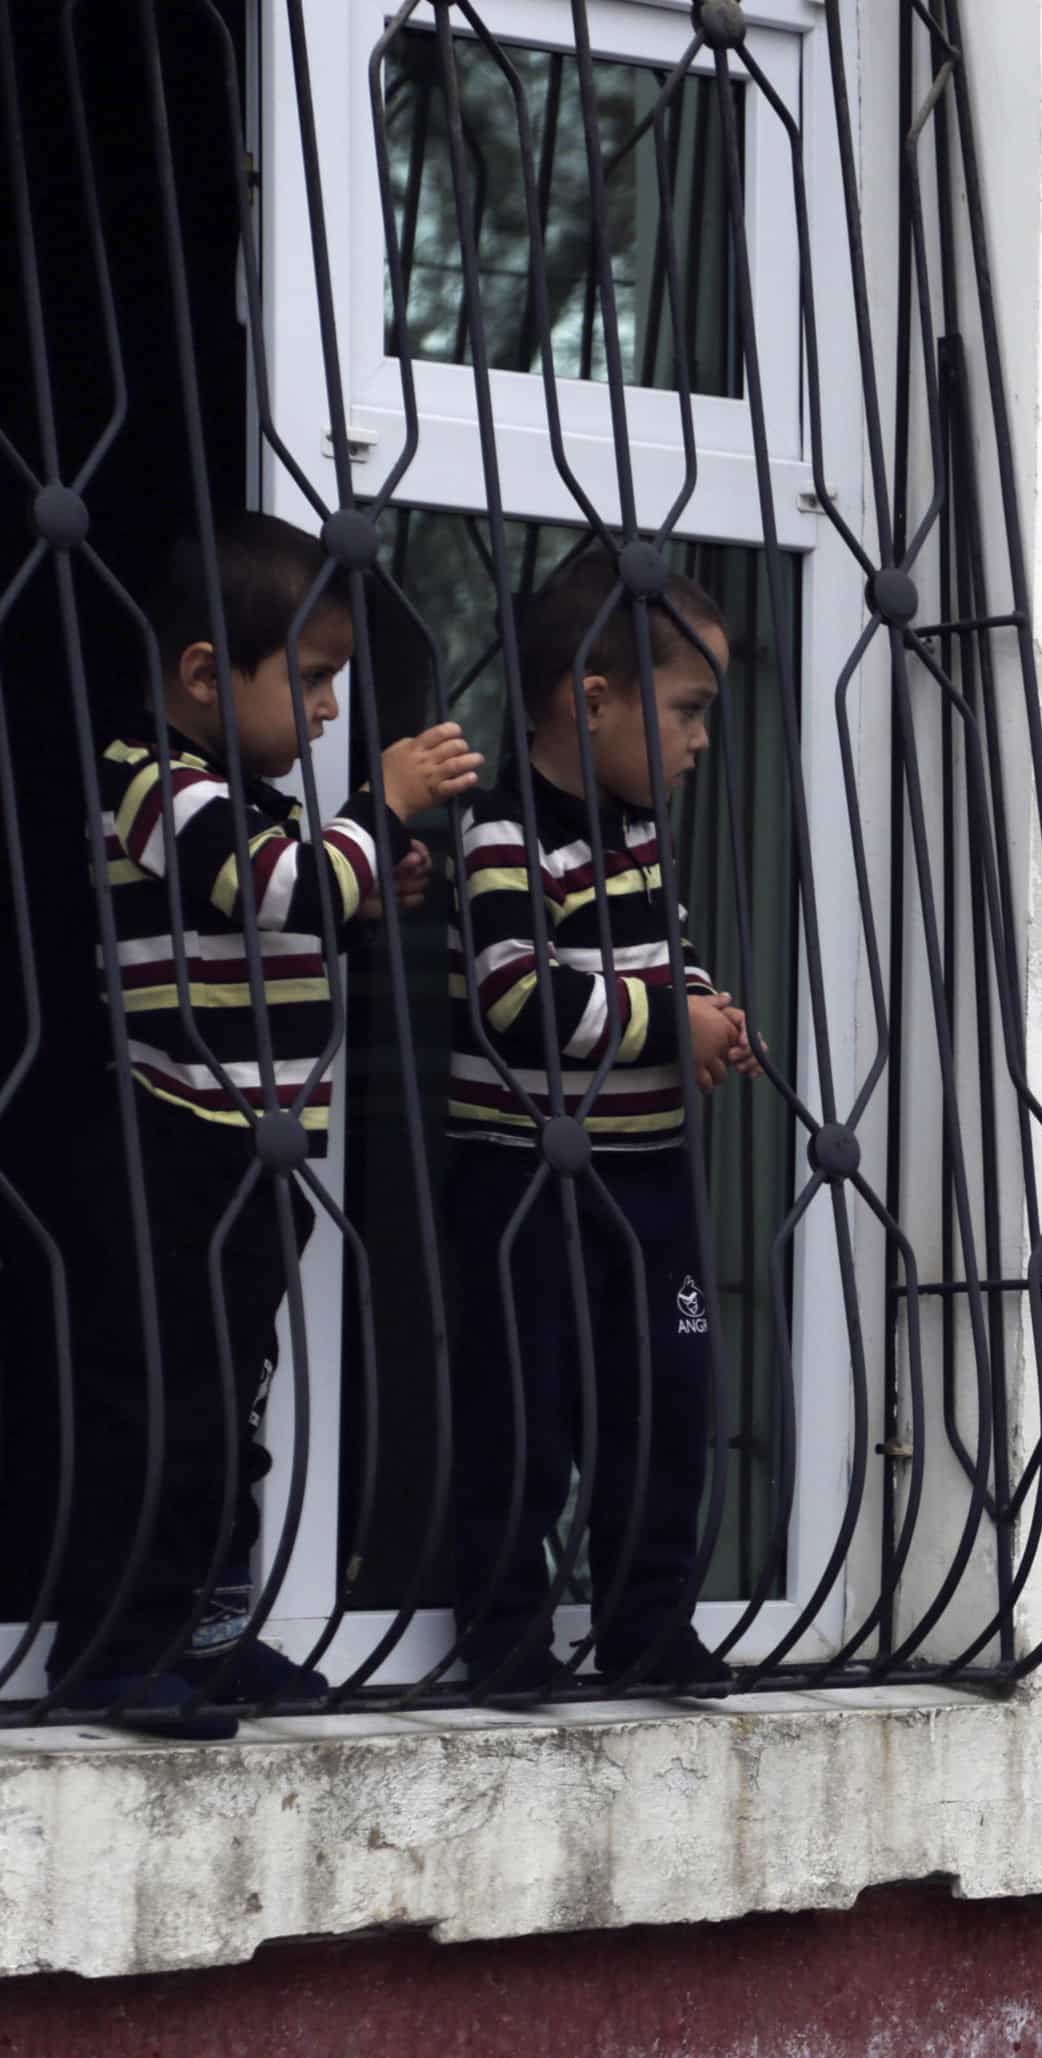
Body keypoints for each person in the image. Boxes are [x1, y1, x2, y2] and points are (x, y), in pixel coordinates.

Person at [54, 513, 480, 1735]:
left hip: (258, 1149)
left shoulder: (250, 797)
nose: (334, 709)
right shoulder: (151, 778)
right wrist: (379, 810)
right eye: (313, 677)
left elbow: (298, 899)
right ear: (202, 673)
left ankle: (212, 1634)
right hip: (171, 1140)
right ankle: (113, 1648)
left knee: (233, 1413)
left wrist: (368, 872)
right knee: (163, 1407)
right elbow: (280, 885)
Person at [441, 546, 758, 1700]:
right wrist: (670, 1019)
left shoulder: (637, 836)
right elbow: (517, 995)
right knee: (525, 1412)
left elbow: (656, 962)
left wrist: (714, 1011)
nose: (700, 741)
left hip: (647, 1174)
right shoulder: (500, 835)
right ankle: (505, 1636)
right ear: (592, 699)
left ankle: (647, 1625)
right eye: (686, 710)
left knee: (664, 1403)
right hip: (526, 1179)